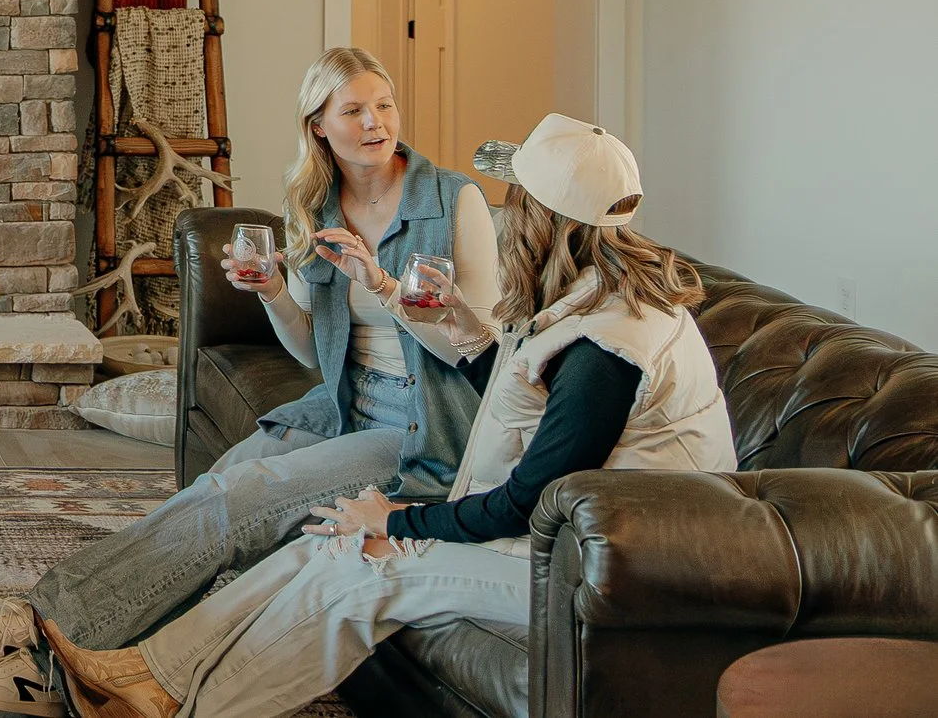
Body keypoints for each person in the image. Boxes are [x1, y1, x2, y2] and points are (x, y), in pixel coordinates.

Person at [37, 114, 736, 718]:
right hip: (574, 546)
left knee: (367, 566)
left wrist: (399, 520)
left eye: (515, 200)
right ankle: (151, 676)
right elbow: (527, 396)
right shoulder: (590, 297)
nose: (507, 215)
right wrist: (453, 324)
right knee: (325, 542)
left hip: (611, 575)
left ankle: (185, 706)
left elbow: (529, 501)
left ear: (546, 219)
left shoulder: (610, 347)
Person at [0, 48, 499, 716]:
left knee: (241, 497)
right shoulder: (315, 204)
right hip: (342, 406)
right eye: (354, 110)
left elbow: (480, 350)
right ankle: (76, 648)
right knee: (215, 489)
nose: (375, 122)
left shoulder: (452, 200)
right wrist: (272, 291)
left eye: (383, 105)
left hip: (425, 428)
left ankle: (42, 638)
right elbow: (313, 352)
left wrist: (385, 286)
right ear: (318, 125)